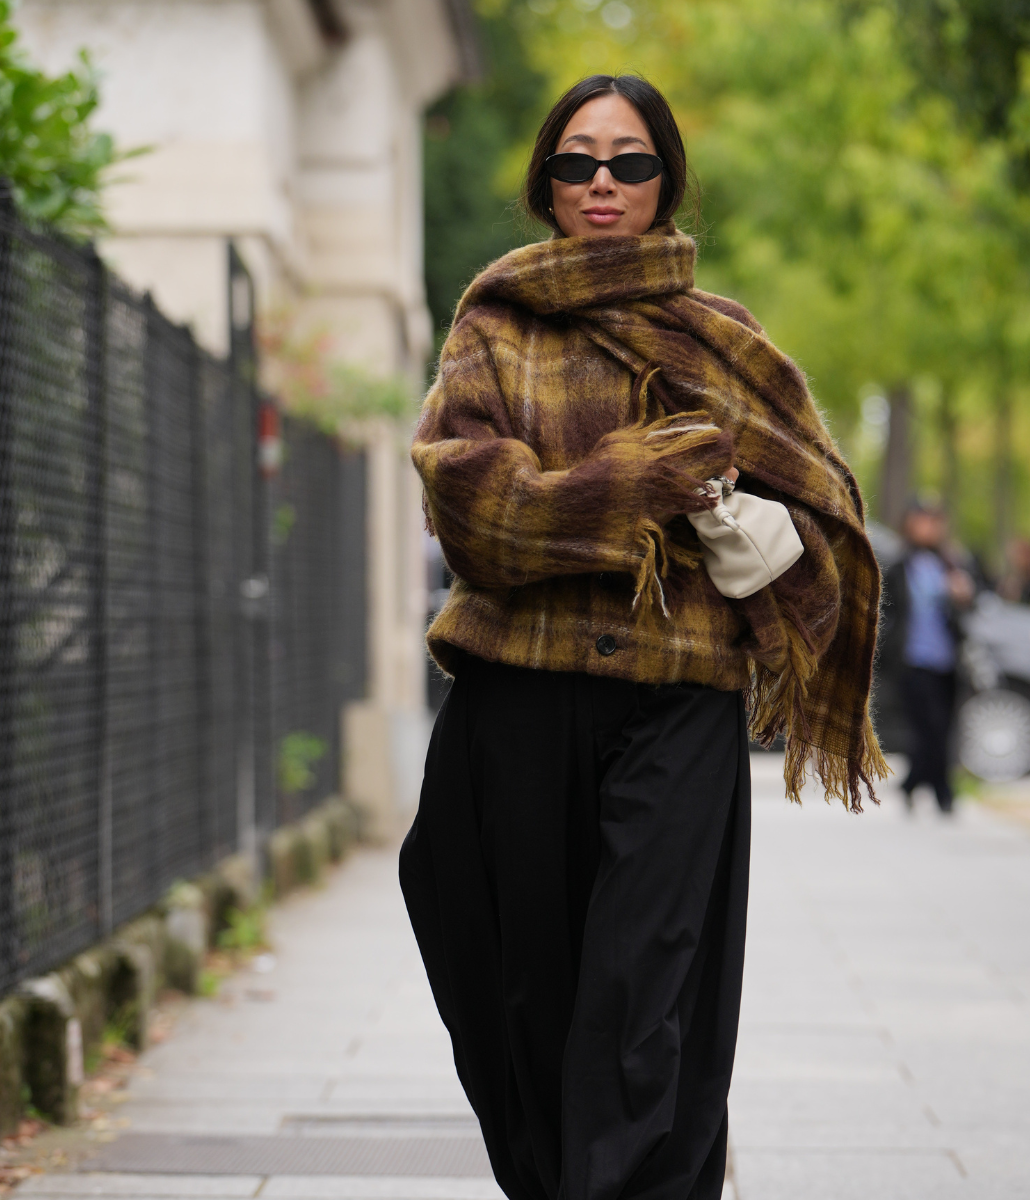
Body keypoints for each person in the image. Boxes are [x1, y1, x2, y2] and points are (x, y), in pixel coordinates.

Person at [398, 75, 886, 1200]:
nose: (602, 183)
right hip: (518, 699)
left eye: (628, 161)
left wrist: (721, 498)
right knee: (519, 990)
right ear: (546, 184)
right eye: (577, 162)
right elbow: (469, 507)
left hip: (680, 702)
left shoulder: (728, 340)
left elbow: (819, 536)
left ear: (666, 179)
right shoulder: (494, 322)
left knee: (647, 992)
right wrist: (626, 487)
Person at [878, 500, 975, 813]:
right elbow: (886, 613)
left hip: (946, 660)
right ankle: (944, 793)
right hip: (912, 660)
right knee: (928, 726)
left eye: (934, 521)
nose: (929, 527)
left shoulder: (952, 562)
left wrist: (962, 596)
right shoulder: (899, 565)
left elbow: (971, 609)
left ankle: (911, 784)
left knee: (942, 727)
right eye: (923, 520)